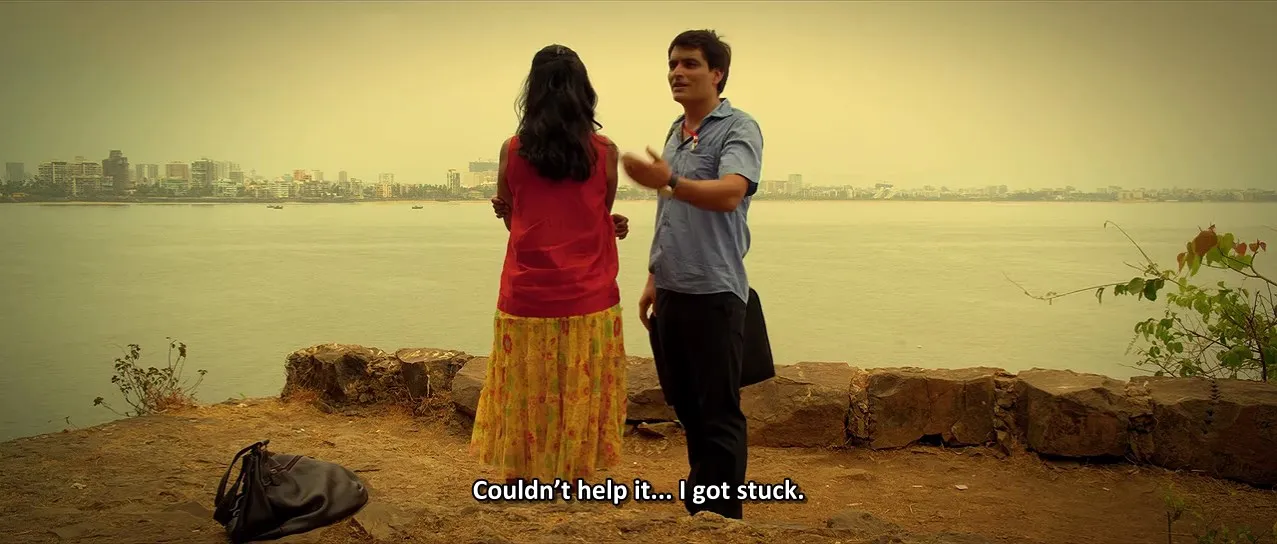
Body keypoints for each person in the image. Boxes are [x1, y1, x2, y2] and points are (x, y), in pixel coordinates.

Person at [470, 44, 631, 488]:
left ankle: (524, 471)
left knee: (526, 387)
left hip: (526, 292)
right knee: (578, 386)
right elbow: (598, 212)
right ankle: (576, 471)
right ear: (584, 92)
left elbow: (515, 220)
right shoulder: (605, 151)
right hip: (589, 292)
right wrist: (606, 224)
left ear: (533, 91)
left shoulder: (512, 150)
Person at [620, 29, 763, 520]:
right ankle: (701, 511)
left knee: (718, 413)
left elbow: (730, 193)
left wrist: (671, 181)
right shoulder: (675, 131)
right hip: (673, 289)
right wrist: (653, 276)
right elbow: (671, 212)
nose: (677, 73)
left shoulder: (738, 127)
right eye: (672, 64)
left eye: (690, 64)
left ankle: (720, 521)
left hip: (714, 290)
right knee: (687, 408)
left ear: (717, 73)